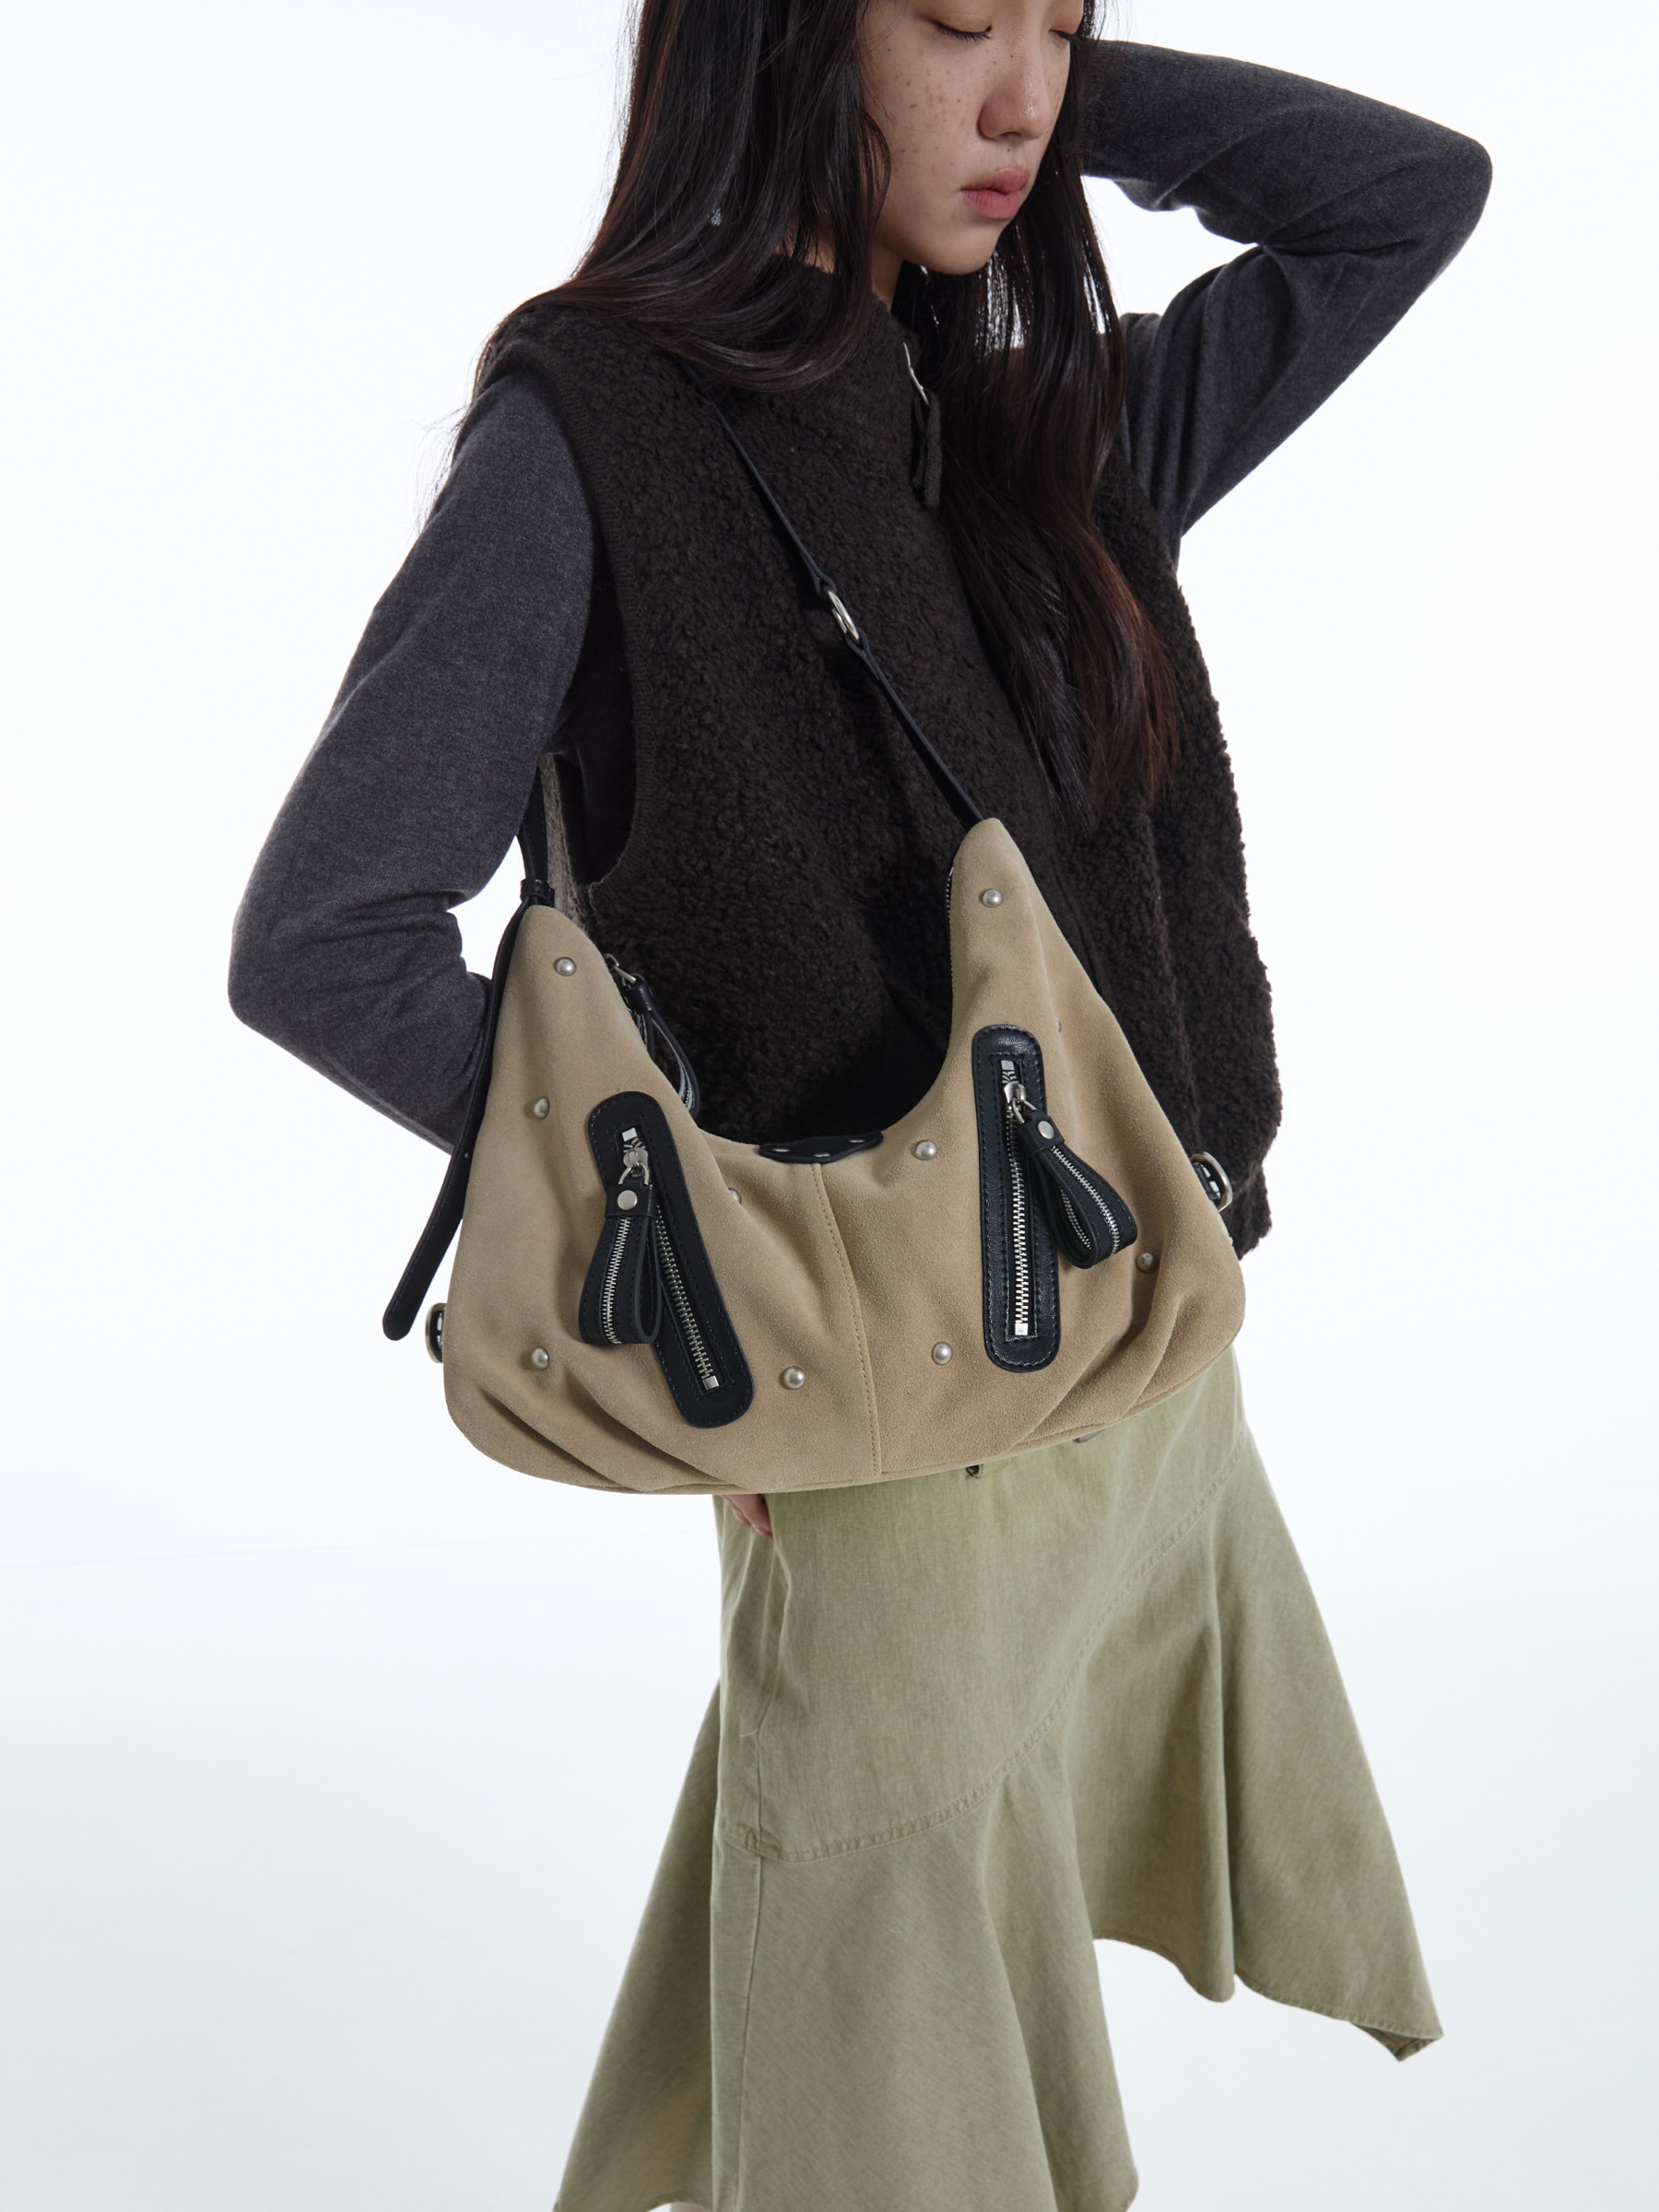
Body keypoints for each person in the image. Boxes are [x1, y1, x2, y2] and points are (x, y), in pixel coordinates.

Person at [229, 4, 1491, 2206]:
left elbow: (1404, 202)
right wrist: (696, 1236)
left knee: (868, 2009)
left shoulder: (1028, 426)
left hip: (1140, 1372)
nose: (1023, 99)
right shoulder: (597, 432)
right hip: (888, 1427)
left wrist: (1042, 89)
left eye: (1060, 28)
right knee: (891, 2075)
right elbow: (325, 937)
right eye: (955, 21)